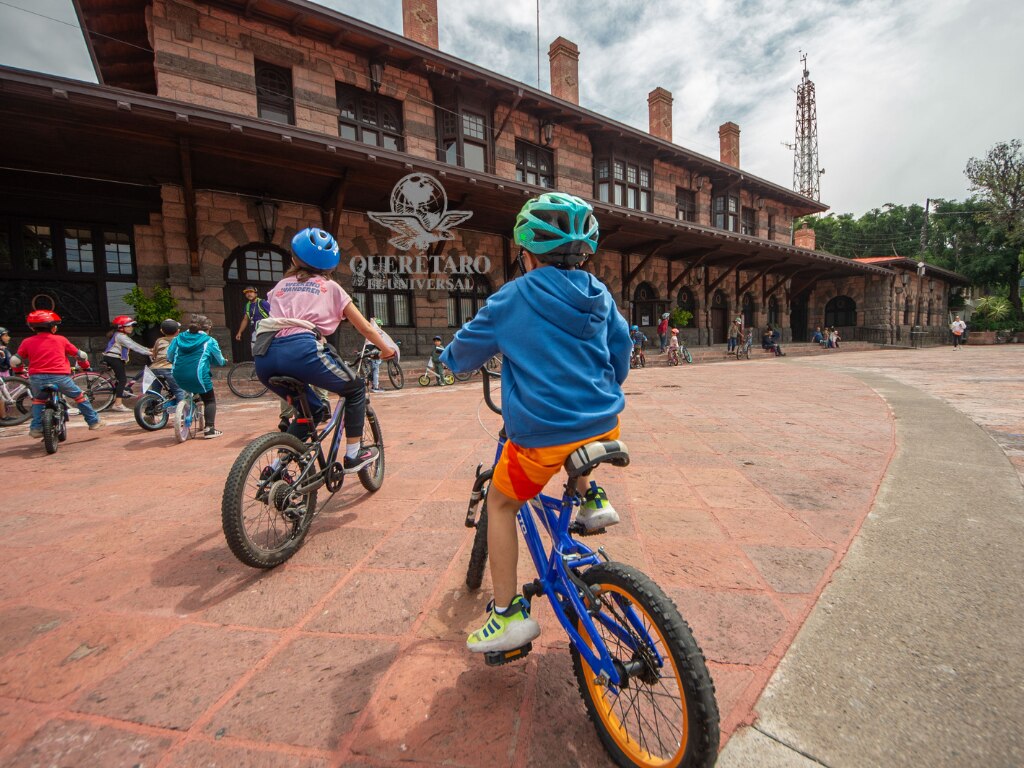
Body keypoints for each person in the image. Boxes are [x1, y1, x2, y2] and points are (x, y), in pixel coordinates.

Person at [441, 192, 631, 655]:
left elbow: (461, 356)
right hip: (606, 421)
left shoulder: (512, 297)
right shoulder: (599, 293)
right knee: (576, 437)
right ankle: (591, 498)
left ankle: (507, 616)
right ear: (583, 253)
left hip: (542, 436)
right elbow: (621, 349)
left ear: (526, 253)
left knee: (500, 503)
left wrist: (447, 358)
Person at [253, 227, 395, 471]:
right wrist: (387, 350)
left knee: (312, 411)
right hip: (302, 351)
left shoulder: (281, 285)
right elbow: (366, 328)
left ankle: (276, 468)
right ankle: (353, 455)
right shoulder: (332, 288)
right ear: (330, 265)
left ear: (294, 259)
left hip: (265, 355)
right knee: (355, 389)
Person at [11, 310, 102, 437]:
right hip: (60, 378)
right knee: (79, 397)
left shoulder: (27, 341)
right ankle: (93, 422)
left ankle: (36, 428)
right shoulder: (61, 340)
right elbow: (81, 356)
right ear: (53, 327)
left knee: (38, 401)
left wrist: (19, 371)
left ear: (32, 328)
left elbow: (15, 361)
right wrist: (85, 367)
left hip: (37, 378)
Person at [167, 314, 226, 439]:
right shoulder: (209, 341)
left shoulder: (178, 338)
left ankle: (190, 404)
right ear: (208, 328)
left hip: (178, 374)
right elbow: (219, 360)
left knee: (189, 387)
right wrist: (223, 361)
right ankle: (209, 429)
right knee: (209, 400)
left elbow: (169, 356)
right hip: (198, 376)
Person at [103, 315, 152, 412]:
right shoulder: (121, 336)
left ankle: (118, 397)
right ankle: (118, 404)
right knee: (122, 380)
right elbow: (134, 346)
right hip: (114, 358)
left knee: (119, 379)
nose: (131, 328)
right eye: (128, 326)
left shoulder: (119, 335)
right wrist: (150, 352)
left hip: (112, 358)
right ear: (121, 327)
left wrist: (149, 350)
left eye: (131, 326)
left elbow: (135, 345)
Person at [148, 319, 185, 404]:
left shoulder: (159, 340)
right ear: (178, 331)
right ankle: (183, 410)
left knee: (155, 391)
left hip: (155, 369)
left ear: (161, 331)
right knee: (179, 390)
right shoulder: (180, 341)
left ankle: (150, 409)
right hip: (169, 368)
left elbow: (154, 354)